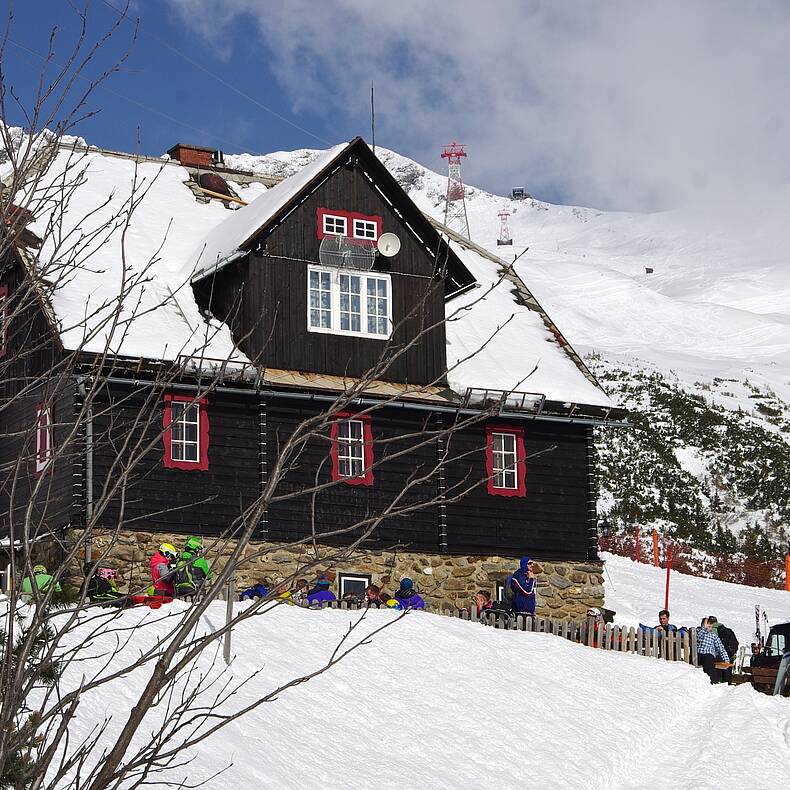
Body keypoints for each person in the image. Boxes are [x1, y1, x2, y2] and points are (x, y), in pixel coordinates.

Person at [696, 617, 731, 684]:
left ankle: (714, 681)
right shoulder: (699, 631)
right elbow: (699, 635)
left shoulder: (714, 636)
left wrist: (726, 659)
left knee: (708, 665)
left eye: (711, 623)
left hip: (708, 654)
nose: (709, 624)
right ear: (702, 624)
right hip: (698, 653)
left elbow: (721, 648)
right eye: (707, 623)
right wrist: (704, 628)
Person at [708, 615, 739, 681]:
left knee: (716, 678)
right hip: (729, 656)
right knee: (726, 679)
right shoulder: (728, 630)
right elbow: (735, 643)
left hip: (715, 657)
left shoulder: (709, 630)